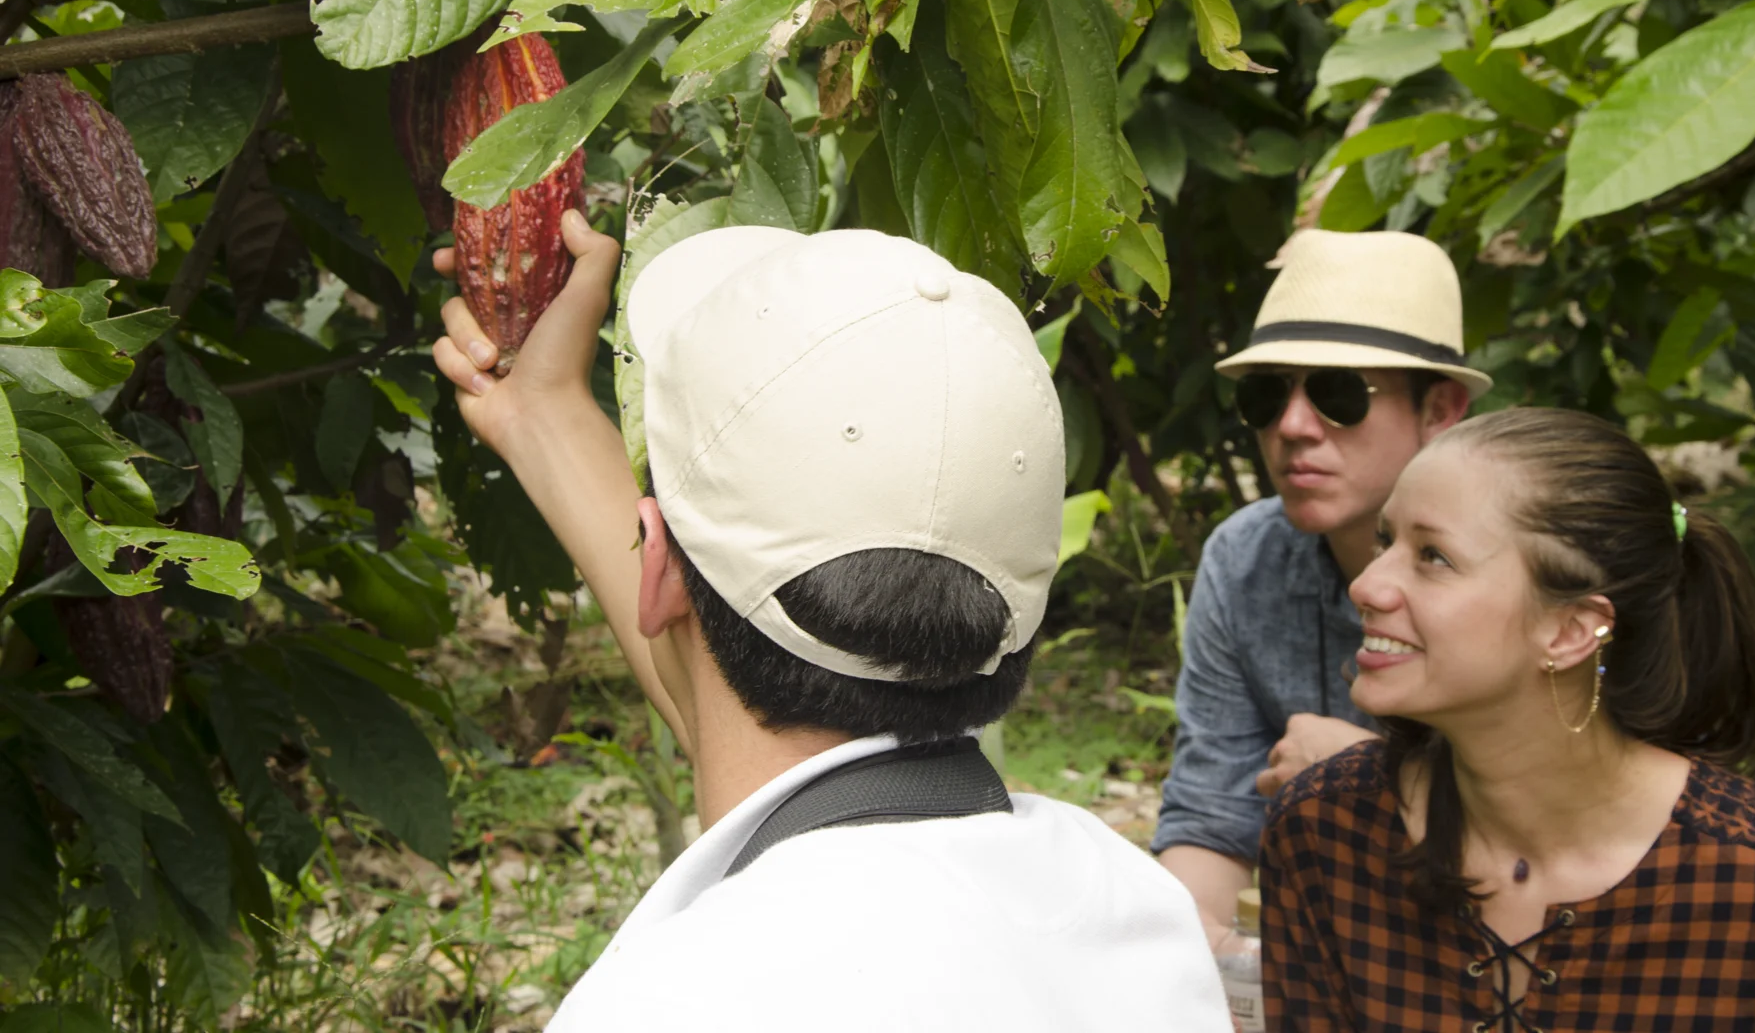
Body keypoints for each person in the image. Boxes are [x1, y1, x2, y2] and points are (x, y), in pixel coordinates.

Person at [433, 213, 1233, 1031]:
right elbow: (758, 728)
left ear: (658, 571)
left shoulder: (672, 1001)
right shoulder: (1131, 914)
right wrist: (543, 413)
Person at [1259, 408, 1755, 1032]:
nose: (1368, 585)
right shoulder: (1324, 830)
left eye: (1434, 557)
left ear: (1570, 631)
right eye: (1385, 539)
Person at [1153, 229, 1481, 947]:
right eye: (1268, 396)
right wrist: (1189, 948)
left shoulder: (1519, 573)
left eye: (1339, 395)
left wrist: (1365, 777)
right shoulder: (1246, 561)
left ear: (1440, 410)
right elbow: (1213, 815)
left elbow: (1571, 829)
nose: (1294, 427)